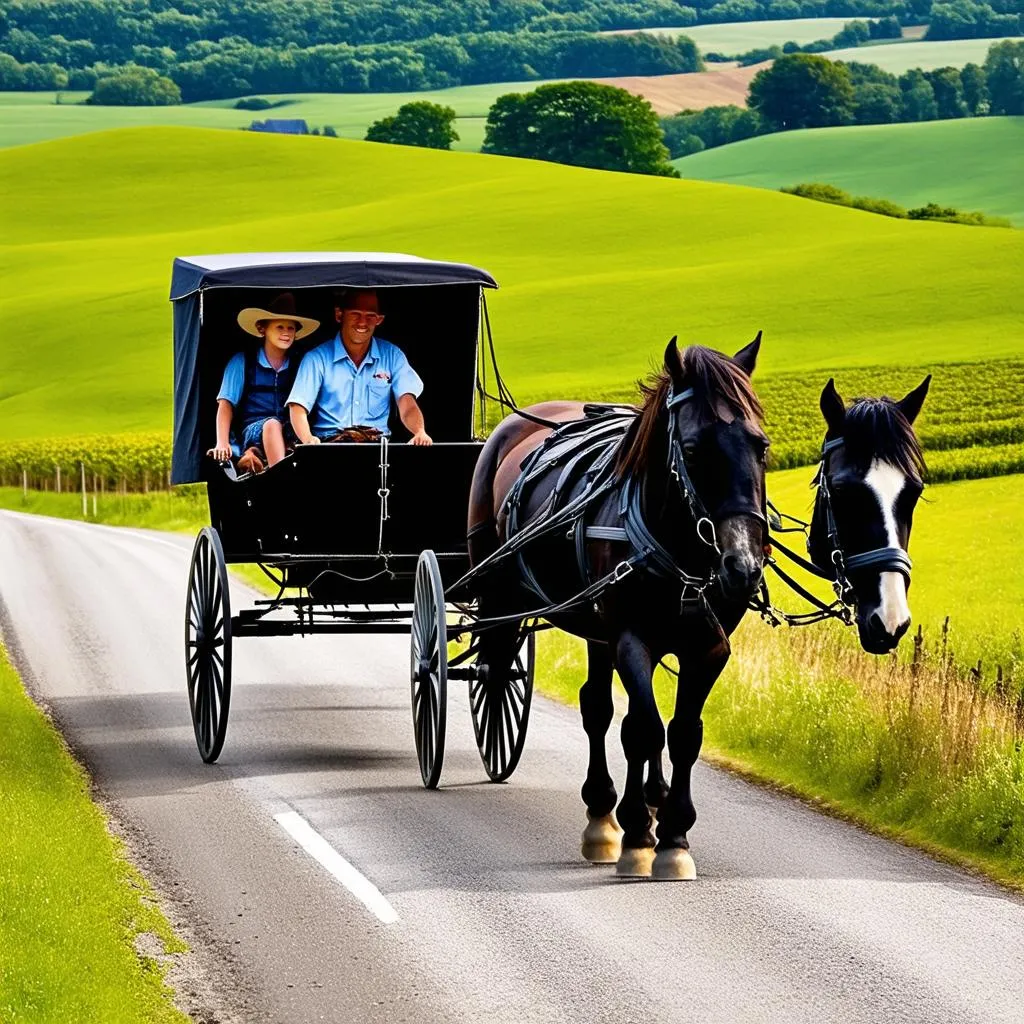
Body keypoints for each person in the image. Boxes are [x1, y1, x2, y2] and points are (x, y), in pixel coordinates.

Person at [287, 288, 432, 447]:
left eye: (370, 316)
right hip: (330, 447)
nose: (363, 322)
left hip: (377, 451)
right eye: (355, 314)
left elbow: (407, 402)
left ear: (379, 320)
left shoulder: (392, 355)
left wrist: (419, 431)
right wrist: (308, 439)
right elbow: (298, 407)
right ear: (339, 315)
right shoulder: (316, 358)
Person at [208, 292, 320, 473]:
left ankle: (261, 458)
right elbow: (226, 405)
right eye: (279, 327)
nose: (286, 333)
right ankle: (278, 479)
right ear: (263, 330)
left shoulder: (299, 364)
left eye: (291, 328)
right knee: (271, 425)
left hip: (290, 429)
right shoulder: (243, 362)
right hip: (254, 430)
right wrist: (222, 442)